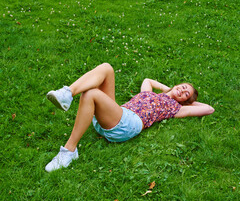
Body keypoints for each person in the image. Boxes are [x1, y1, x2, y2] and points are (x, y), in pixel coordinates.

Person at [45, 63, 215, 172]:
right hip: (116, 114)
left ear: (185, 101)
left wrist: (186, 103)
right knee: (107, 68)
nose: (183, 91)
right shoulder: (148, 93)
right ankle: (67, 93)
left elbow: (209, 109)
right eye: (183, 87)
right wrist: (168, 90)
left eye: (186, 94)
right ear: (178, 84)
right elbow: (148, 80)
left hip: (128, 124)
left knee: (91, 94)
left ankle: (68, 151)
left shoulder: (175, 108)